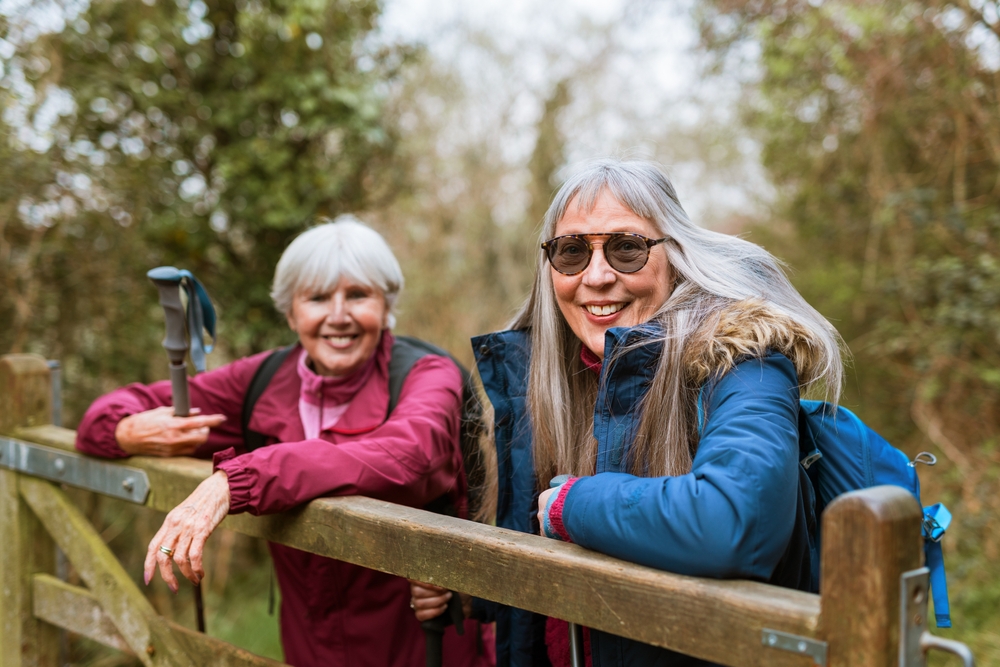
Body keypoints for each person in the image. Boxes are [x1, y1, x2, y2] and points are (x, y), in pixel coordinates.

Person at [411, 159, 843, 666]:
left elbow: (735, 524)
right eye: (571, 252)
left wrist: (571, 504)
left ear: (674, 255)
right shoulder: (539, 380)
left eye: (626, 248)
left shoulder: (745, 363)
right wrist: (469, 586)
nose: (596, 276)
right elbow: (537, 557)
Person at [76, 217, 494, 667]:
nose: (338, 316)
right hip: (308, 645)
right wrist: (124, 431)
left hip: (423, 643)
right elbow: (102, 416)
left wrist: (234, 482)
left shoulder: (427, 374)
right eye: (316, 298)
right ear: (291, 312)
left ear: (386, 306)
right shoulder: (263, 381)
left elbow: (410, 455)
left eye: (358, 295)